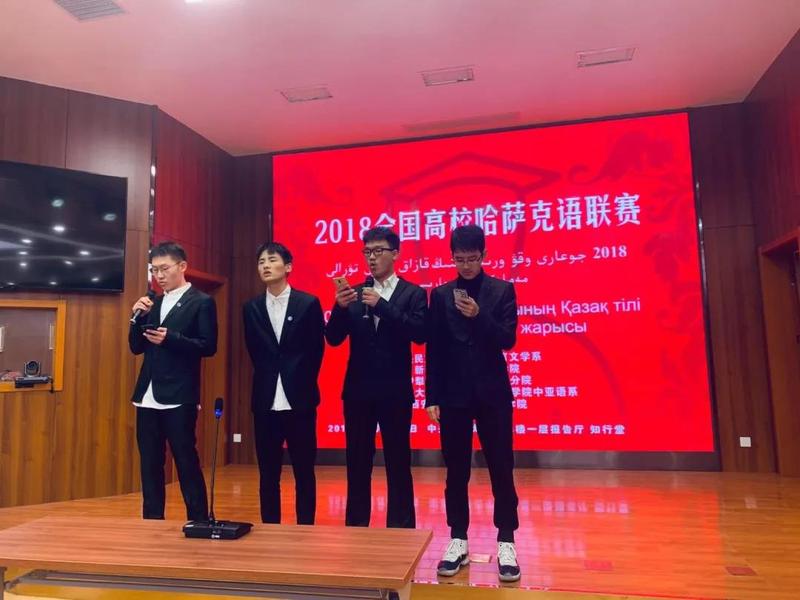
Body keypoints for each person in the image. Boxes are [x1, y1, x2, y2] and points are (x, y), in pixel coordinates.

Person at [425, 224, 521, 582]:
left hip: (493, 394)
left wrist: (479, 315)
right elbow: (434, 348)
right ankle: (458, 538)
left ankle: (507, 539)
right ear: (452, 257)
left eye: (472, 258)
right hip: (453, 396)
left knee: (501, 467)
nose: (466, 265)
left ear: (484, 255)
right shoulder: (440, 295)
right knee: (456, 471)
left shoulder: (502, 290)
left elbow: (507, 339)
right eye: (460, 259)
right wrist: (432, 396)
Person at [325, 226, 427, 528]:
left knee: (398, 462)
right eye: (367, 252)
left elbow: (420, 333)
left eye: (378, 251)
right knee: (357, 462)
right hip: (358, 391)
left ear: (395, 254)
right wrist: (340, 308)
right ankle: (357, 526)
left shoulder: (413, 293)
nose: (371, 258)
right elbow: (333, 338)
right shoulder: (354, 293)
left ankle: (401, 527)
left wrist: (382, 305)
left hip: (395, 391)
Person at [129, 241, 217, 521]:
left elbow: (208, 346)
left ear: (182, 266)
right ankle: (152, 520)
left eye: (164, 268)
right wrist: (135, 318)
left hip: (179, 395)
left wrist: (172, 339)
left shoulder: (201, 301)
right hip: (147, 395)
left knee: (186, 460)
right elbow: (136, 347)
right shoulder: (152, 302)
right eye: (155, 270)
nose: (159, 275)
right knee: (150, 464)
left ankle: (199, 520)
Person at [243, 242, 325, 525]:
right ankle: (270, 528)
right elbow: (254, 350)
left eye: (272, 260)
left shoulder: (308, 303)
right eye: (261, 261)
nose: (265, 265)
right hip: (265, 400)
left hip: (299, 400)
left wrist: (299, 379)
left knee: (304, 470)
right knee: (268, 473)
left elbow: (316, 351)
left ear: (288, 266)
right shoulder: (251, 307)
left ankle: (305, 527)